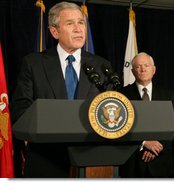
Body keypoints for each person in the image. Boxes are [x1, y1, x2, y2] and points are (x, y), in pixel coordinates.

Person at [10, 2, 111, 178]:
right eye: (70, 23)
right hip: (45, 158)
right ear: (54, 31)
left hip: (92, 160)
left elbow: (110, 108)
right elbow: (21, 108)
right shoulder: (34, 63)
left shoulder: (102, 66)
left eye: (81, 22)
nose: (78, 29)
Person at [118, 52, 174, 178]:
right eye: (138, 66)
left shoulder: (167, 95)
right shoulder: (121, 95)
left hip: (161, 162)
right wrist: (144, 142)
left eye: (146, 65)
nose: (143, 69)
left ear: (154, 69)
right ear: (133, 71)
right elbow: (118, 126)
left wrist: (157, 146)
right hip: (132, 163)